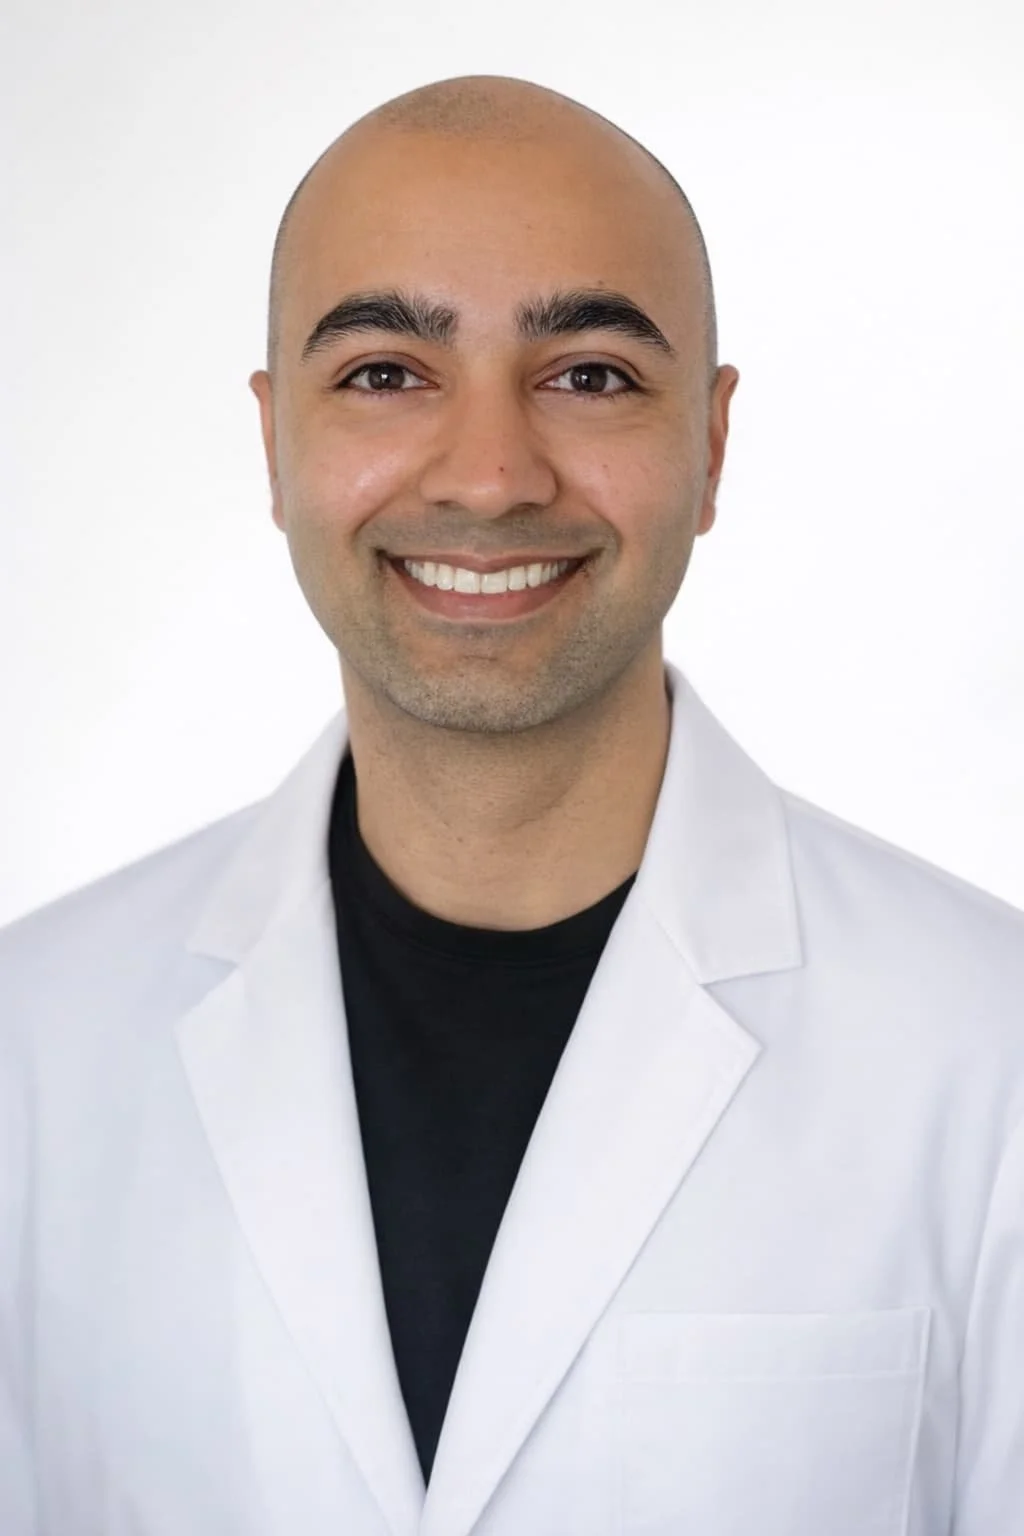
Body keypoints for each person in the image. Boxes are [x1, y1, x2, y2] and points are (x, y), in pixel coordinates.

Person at [1, 72, 1021, 1536]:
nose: (489, 477)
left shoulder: (993, 1060)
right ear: (274, 441)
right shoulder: (28, 1053)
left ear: (712, 447)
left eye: (590, 372)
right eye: (385, 373)